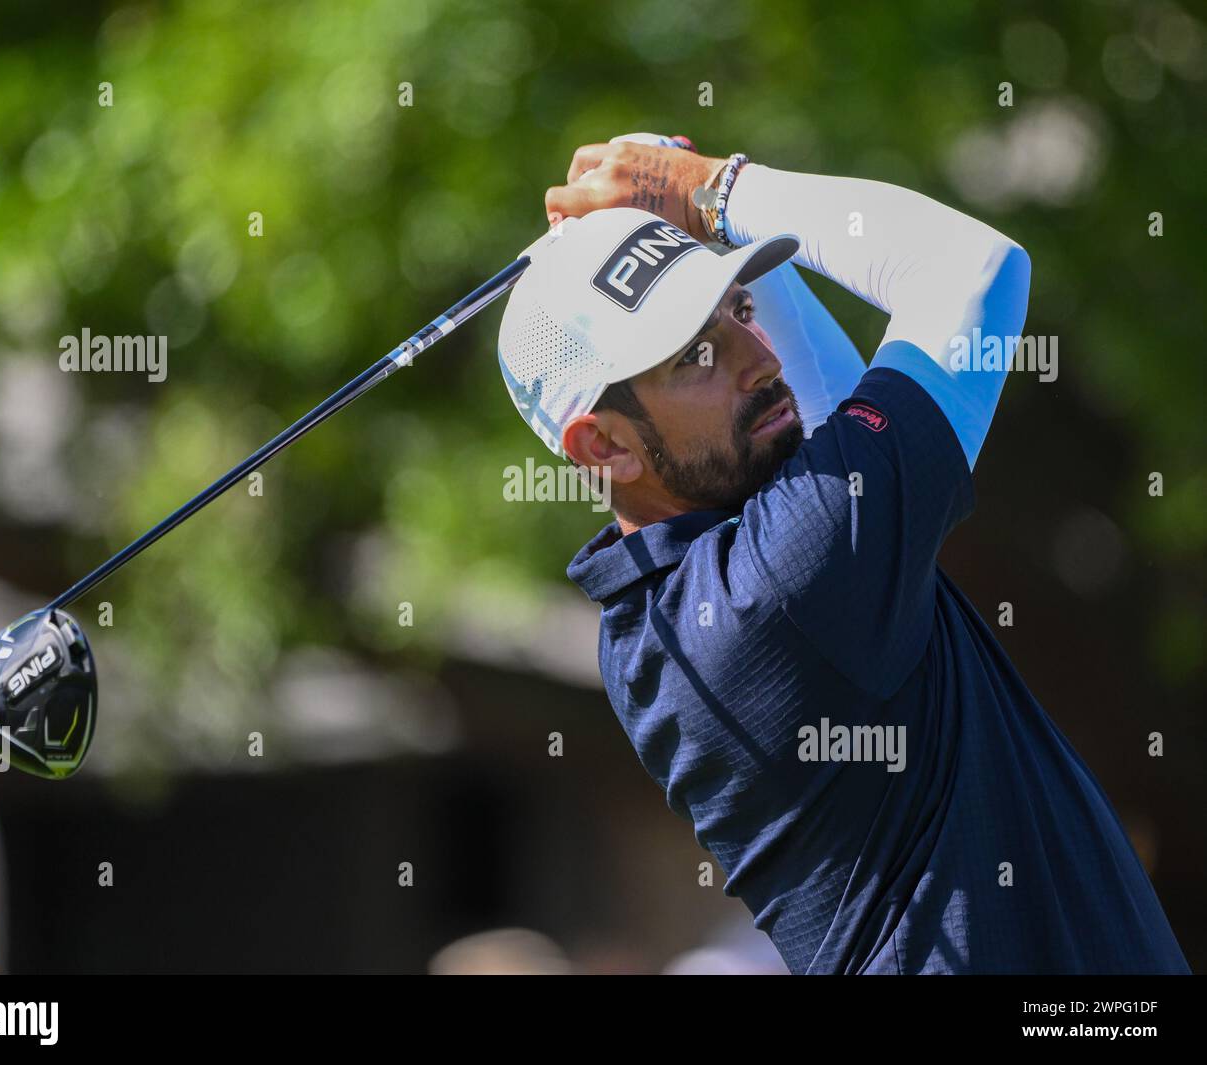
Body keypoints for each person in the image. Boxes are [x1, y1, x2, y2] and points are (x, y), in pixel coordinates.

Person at [495, 134, 1190, 974]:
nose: (758, 360)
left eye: (740, 312)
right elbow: (975, 270)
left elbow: (824, 422)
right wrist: (713, 189)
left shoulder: (675, 599)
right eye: (696, 356)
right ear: (603, 446)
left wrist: (699, 222)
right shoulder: (775, 592)